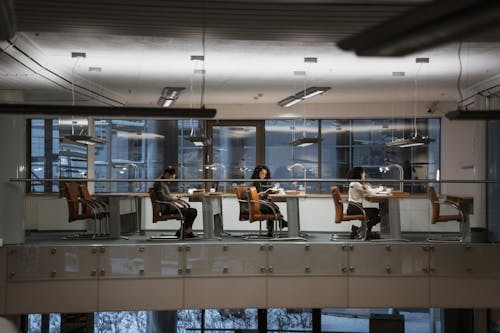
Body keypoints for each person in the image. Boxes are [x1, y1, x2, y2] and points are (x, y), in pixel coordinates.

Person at [154, 166, 198, 239]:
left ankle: (183, 231)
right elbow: (162, 197)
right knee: (192, 212)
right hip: (166, 209)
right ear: (167, 174)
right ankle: (186, 231)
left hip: (169, 207)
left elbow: (164, 196)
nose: (172, 180)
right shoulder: (159, 183)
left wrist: (175, 198)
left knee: (192, 211)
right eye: (172, 177)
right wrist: (173, 198)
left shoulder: (162, 183)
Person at [249, 164, 287, 237]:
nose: (264, 176)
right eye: (262, 174)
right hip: (256, 205)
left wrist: (272, 190)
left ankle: (276, 227)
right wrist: (258, 194)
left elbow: (264, 193)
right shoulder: (253, 182)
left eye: (265, 174)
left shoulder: (260, 183)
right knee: (272, 207)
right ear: (257, 173)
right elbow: (249, 195)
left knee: (272, 207)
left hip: (261, 203)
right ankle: (281, 222)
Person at [347, 166, 382, 240]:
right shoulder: (356, 184)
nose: (364, 175)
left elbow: (366, 192)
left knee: (376, 211)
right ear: (359, 174)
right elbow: (370, 192)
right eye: (363, 173)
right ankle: (362, 231)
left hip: (354, 208)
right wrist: (380, 189)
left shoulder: (354, 183)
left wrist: (366, 188)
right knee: (377, 215)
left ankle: (362, 231)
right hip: (355, 209)